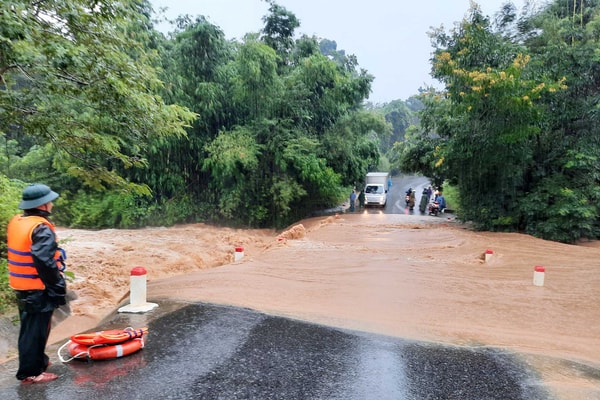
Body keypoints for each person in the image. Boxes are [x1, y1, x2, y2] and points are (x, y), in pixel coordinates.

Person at [7, 183, 67, 384]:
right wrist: (57, 286)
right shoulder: (41, 228)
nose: (51, 204)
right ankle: (31, 373)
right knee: (35, 331)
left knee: (31, 327)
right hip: (37, 287)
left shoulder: (18, 221)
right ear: (42, 205)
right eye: (49, 201)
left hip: (21, 285)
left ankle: (39, 361)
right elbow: (44, 260)